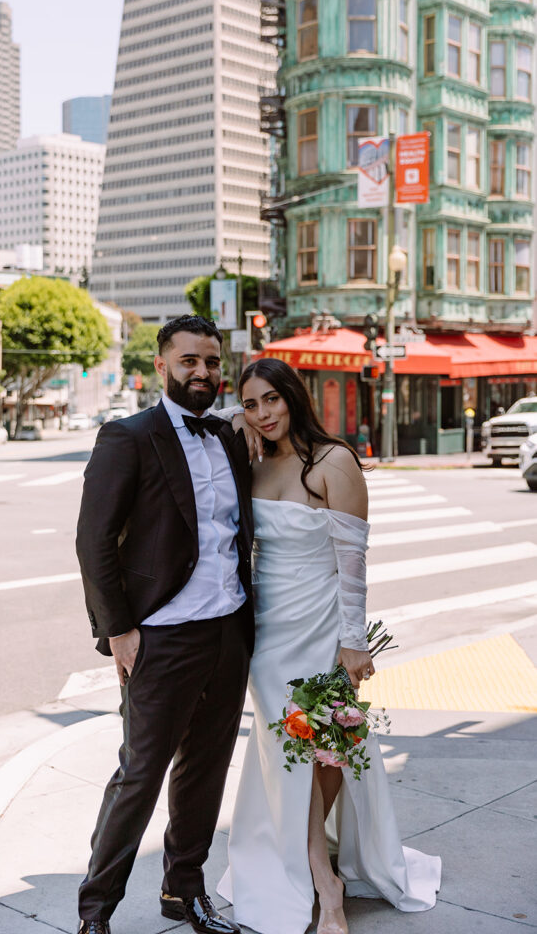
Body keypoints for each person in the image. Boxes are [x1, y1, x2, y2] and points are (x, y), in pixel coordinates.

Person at [216, 358, 441, 934]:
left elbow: (353, 565)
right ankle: (326, 884)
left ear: (293, 396)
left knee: (328, 751)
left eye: (271, 399)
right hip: (267, 634)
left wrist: (353, 641)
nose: (262, 413)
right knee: (290, 751)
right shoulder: (254, 461)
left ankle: (323, 862)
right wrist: (236, 424)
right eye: (250, 403)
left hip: (323, 624)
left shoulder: (333, 460)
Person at [75, 315, 254, 934]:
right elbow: (93, 540)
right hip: (161, 636)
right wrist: (118, 630)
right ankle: (96, 909)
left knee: (205, 769)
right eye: (189, 362)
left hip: (228, 631)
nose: (202, 372)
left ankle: (184, 891)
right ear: (162, 365)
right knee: (140, 775)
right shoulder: (128, 436)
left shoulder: (231, 438)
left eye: (211, 361)